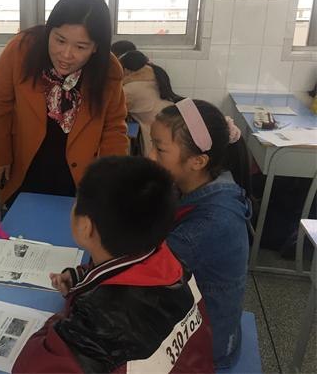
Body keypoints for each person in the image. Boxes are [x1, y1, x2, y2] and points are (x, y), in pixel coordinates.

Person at [13, 156, 214, 373]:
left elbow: (27, 367)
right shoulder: (172, 263)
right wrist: (84, 279)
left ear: (85, 226)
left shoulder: (92, 334)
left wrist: (63, 318)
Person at [0, 0, 128, 204]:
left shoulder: (108, 70)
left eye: (81, 47)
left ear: (96, 47)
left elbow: (114, 127)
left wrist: (110, 180)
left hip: (77, 173)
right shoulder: (21, 49)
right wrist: (1, 156)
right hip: (25, 163)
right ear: (49, 31)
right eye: (60, 40)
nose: (66, 54)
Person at [150, 98, 252, 369]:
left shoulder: (212, 222)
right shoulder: (197, 183)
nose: (150, 156)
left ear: (197, 161)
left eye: (159, 149)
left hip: (205, 346)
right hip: (193, 318)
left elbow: (146, 270)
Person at [118, 49, 184, 156]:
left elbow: (112, 112)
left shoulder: (131, 89)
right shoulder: (155, 78)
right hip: (173, 127)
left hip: (158, 133)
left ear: (125, 70)